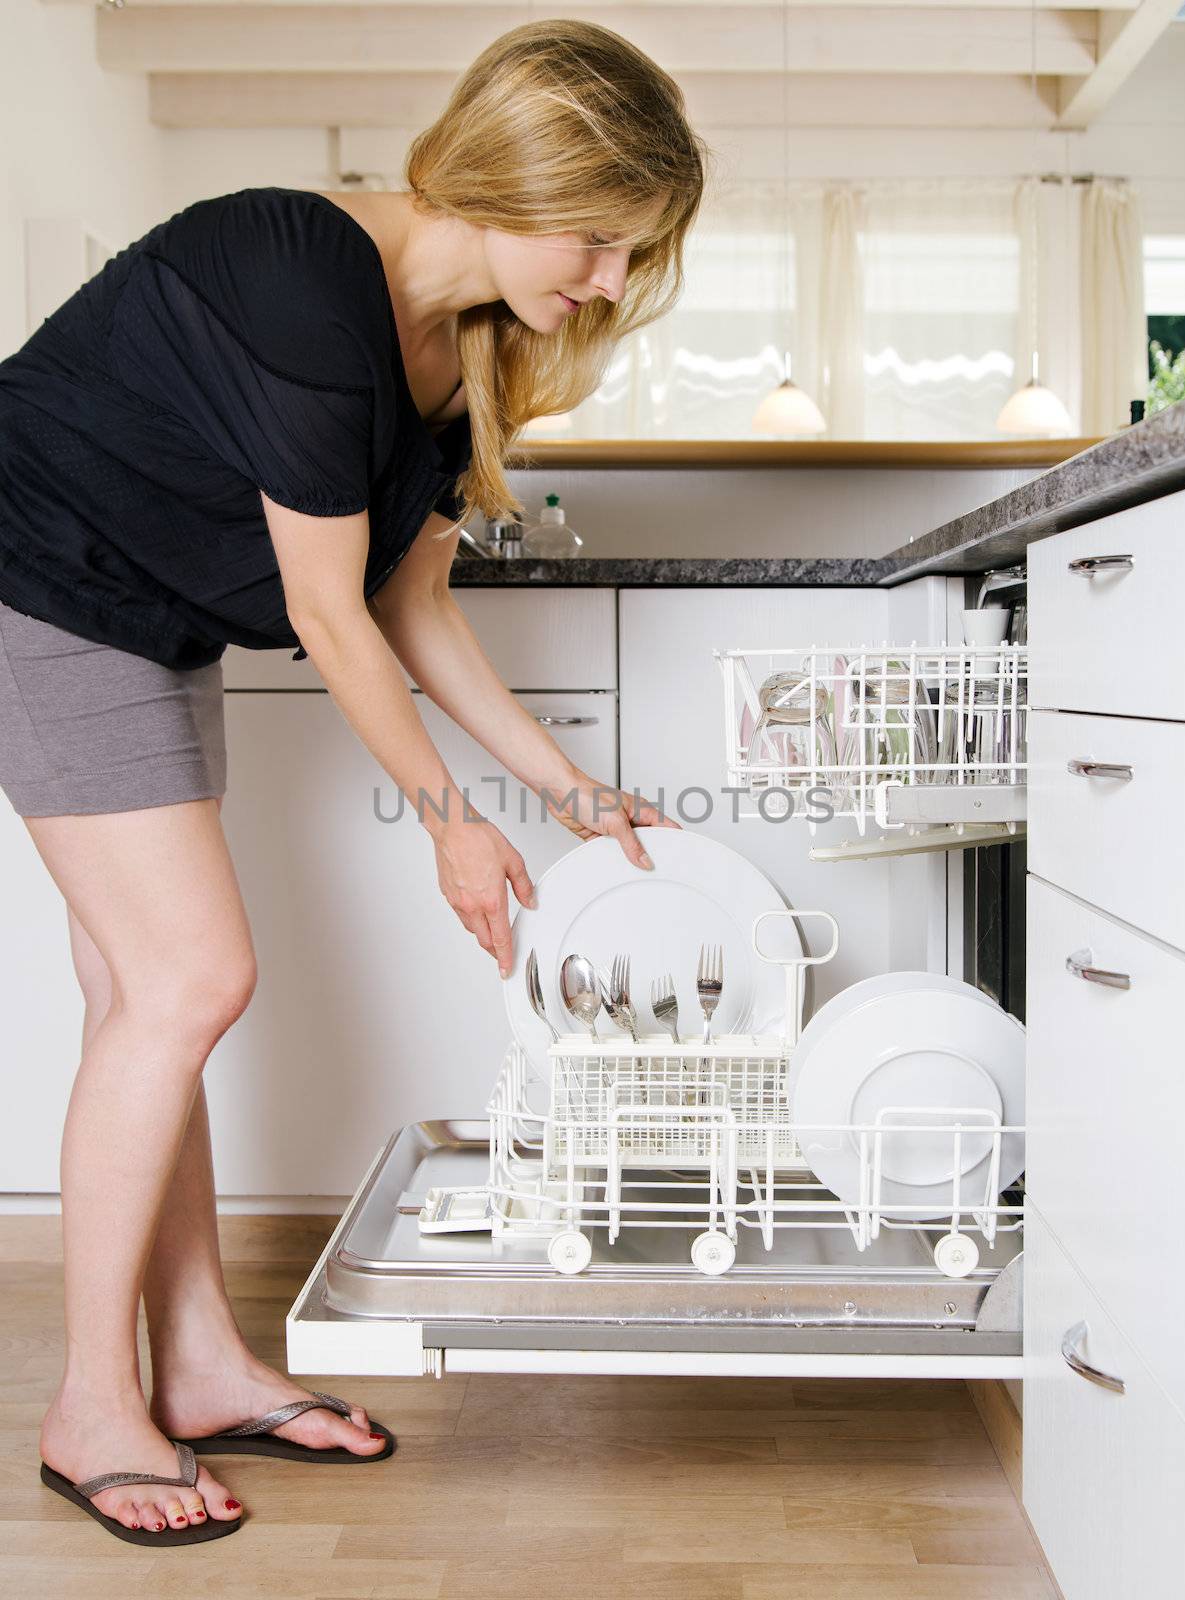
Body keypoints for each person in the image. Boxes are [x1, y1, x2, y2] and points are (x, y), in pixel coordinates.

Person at [0, 19, 707, 1546]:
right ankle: (89, 1409)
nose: (602, 283)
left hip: (149, 618)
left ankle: (189, 1366)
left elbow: (407, 604)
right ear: (519, 178)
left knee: (149, 996)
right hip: (39, 577)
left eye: (627, 256)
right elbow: (323, 614)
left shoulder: (470, 358)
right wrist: (452, 827)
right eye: (596, 239)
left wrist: (568, 788)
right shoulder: (298, 271)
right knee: (189, 980)